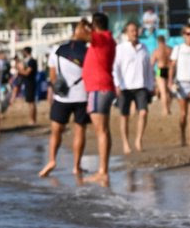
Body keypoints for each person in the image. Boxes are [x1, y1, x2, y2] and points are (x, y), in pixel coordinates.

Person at [38, 19, 92, 178]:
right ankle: (76, 166)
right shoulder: (89, 52)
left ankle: (52, 160)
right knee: (79, 130)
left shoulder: (57, 50)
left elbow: (53, 77)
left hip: (62, 97)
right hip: (82, 95)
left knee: (56, 131)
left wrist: (56, 91)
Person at [83, 12, 116, 181]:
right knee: (104, 130)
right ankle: (104, 169)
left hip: (98, 88)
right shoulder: (108, 39)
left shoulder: (101, 39)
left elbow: (80, 34)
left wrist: (85, 24)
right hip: (103, 87)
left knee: (101, 131)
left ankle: (103, 171)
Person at [113, 21, 154, 154]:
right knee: (124, 116)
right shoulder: (120, 48)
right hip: (125, 86)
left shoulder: (144, 48)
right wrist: (117, 84)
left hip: (141, 85)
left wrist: (151, 85)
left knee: (143, 113)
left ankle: (138, 140)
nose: (134, 33)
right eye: (131, 31)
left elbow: (148, 68)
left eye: (136, 30)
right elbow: (115, 68)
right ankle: (125, 143)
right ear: (126, 33)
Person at [168, 25, 190, 147]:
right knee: (183, 114)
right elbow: (172, 66)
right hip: (181, 84)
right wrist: (170, 81)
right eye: (188, 34)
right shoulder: (178, 48)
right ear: (183, 35)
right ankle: (182, 134)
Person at [16, 46, 38, 125]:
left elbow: (27, 73)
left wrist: (18, 69)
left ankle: (32, 120)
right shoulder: (29, 61)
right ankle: (32, 119)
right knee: (30, 102)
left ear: (26, 52)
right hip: (29, 83)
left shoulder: (31, 61)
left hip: (30, 83)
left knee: (31, 103)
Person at [151, 34, 173, 116]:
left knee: (163, 91)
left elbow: (152, 64)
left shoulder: (156, 51)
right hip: (169, 70)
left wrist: (152, 75)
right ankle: (169, 108)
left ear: (158, 41)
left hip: (160, 70)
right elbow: (174, 62)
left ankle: (165, 110)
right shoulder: (170, 49)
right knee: (168, 91)